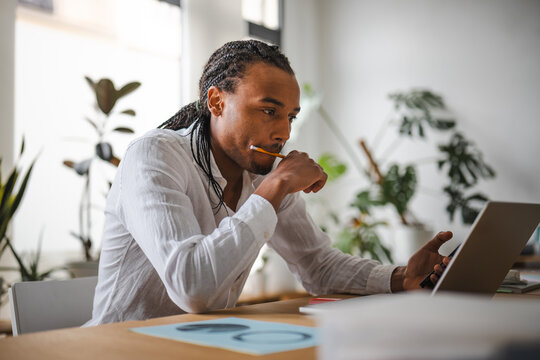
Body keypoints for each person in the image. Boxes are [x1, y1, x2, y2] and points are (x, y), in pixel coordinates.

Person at [86, 40, 452, 326]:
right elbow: (192, 288)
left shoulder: (258, 172)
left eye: (290, 116)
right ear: (216, 101)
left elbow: (319, 266)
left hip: (196, 346)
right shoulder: (154, 156)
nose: (283, 132)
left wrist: (401, 277)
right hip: (121, 347)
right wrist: (274, 189)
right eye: (269, 111)